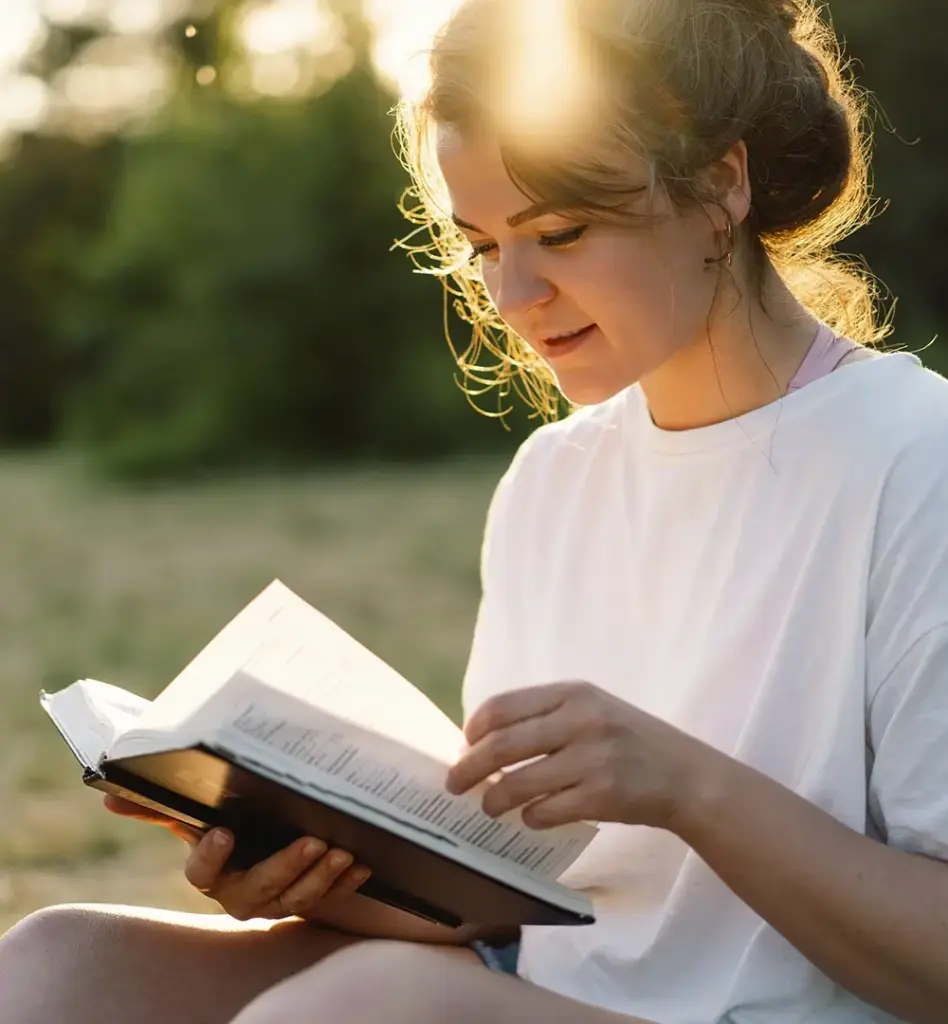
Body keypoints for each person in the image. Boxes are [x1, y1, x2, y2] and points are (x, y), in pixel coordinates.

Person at [3, 0, 948, 1021]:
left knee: (371, 1005)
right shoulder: (554, 476)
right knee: (57, 963)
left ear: (722, 184)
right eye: (484, 243)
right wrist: (311, 871)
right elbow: (517, 916)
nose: (513, 293)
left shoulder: (912, 460)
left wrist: (690, 788)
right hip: (542, 991)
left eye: (561, 231)